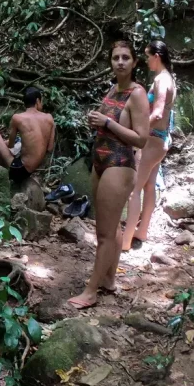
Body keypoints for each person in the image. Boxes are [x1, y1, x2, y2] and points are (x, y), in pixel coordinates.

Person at [69, 41, 149, 310]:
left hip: (120, 163)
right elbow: (106, 124)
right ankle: (109, 280)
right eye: (116, 57)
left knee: (103, 234)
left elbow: (141, 139)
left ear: (135, 63)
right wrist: (97, 120)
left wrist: (107, 122)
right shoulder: (113, 88)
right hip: (100, 162)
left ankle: (90, 291)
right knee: (111, 227)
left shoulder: (137, 94)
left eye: (126, 57)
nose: (120, 62)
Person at [121, 41, 176, 251]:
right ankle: (141, 232)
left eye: (147, 56)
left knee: (134, 191)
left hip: (152, 141)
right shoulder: (169, 78)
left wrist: (138, 131)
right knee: (149, 186)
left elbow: (158, 112)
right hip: (160, 142)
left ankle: (125, 242)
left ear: (157, 56)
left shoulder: (162, 80)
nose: (146, 60)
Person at [0, 86, 55, 184]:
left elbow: (11, 145)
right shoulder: (49, 118)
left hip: (19, 169)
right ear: (37, 101)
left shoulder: (18, 118)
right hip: (31, 169)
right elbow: (49, 148)